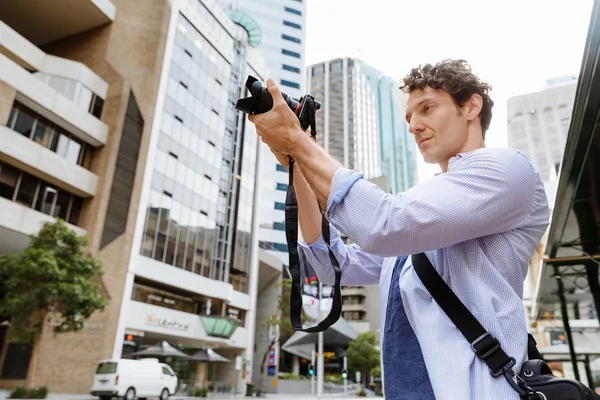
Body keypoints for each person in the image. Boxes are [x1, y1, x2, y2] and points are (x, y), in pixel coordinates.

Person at [248, 59, 549, 399]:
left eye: (427, 108)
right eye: (409, 117)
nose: (414, 125)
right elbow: (334, 266)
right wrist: (296, 161)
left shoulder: (507, 170)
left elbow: (384, 224)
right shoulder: (426, 215)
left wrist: (296, 139)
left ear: (471, 106)